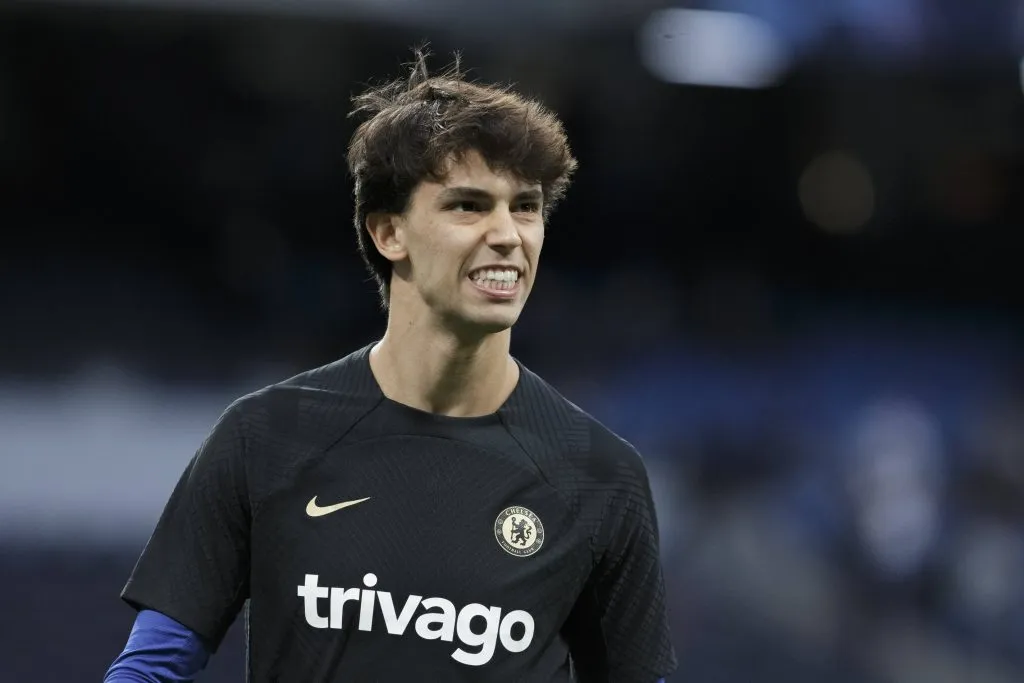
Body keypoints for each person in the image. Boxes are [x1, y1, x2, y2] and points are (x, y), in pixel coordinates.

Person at [104, 49, 677, 682]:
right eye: (467, 205)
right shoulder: (264, 437)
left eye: (526, 206)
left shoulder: (601, 475)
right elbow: (150, 670)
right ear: (388, 233)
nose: (508, 233)